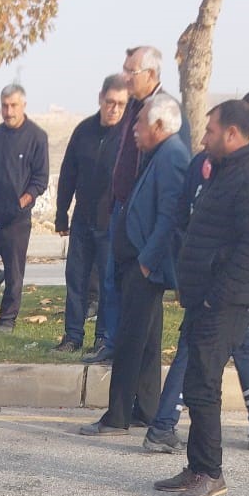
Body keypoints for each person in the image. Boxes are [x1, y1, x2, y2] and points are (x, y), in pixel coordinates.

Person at [144, 89, 249, 454]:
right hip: (207, 297)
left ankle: (217, 460)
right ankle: (195, 459)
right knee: (198, 382)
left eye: (209, 130)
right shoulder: (216, 169)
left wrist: (214, 297)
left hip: (226, 299)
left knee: (213, 377)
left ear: (233, 132)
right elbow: (188, 223)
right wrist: (194, 284)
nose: (203, 137)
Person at [79, 93, 188, 436]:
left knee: (129, 340)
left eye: (140, 123)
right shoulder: (156, 153)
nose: (134, 129)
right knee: (147, 340)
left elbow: (170, 216)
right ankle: (147, 408)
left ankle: (117, 416)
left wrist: (146, 261)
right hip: (138, 260)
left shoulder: (171, 156)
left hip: (145, 265)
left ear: (158, 125)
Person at [83, 46, 166, 364]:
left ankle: (124, 347)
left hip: (138, 215)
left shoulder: (161, 110)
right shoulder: (134, 105)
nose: (125, 76)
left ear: (151, 74)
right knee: (110, 279)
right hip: (119, 208)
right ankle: (110, 341)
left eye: (131, 71)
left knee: (133, 287)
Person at [54, 74, 130, 353]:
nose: (115, 109)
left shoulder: (127, 136)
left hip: (111, 223)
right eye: (110, 102)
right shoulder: (84, 130)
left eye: (121, 104)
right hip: (83, 219)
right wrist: (61, 213)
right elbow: (68, 174)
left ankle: (103, 337)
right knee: (76, 279)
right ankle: (73, 336)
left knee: (108, 284)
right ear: (101, 99)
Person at [0, 84, 49, 333]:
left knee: (14, 272)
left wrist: (21, 202)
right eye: (4, 105)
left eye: (13, 105)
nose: (8, 111)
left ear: (23, 105)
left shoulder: (37, 137)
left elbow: (40, 180)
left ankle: (7, 319)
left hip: (16, 220)